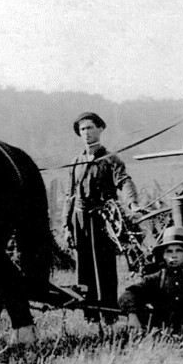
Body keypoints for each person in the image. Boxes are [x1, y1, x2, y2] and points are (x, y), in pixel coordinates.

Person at [64, 112, 142, 323]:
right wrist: (66, 225)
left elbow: (124, 181)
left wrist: (133, 203)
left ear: (100, 129)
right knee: (84, 266)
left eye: (90, 128)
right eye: (82, 129)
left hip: (102, 219)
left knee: (104, 266)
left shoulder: (111, 160)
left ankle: (109, 313)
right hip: (79, 219)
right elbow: (70, 195)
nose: (86, 133)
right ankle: (89, 314)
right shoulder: (76, 161)